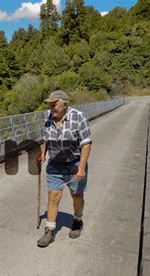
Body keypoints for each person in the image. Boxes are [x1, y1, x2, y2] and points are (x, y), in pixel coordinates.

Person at [37, 90, 92, 247]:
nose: (51, 107)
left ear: (64, 104)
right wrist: (43, 154)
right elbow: (46, 138)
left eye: (54, 105)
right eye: (50, 104)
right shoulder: (47, 116)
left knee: (76, 195)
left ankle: (77, 220)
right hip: (55, 164)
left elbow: (86, 143)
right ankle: (50, 230)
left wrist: (81, 167)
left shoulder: (78, 117)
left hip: (74, 163)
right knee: (53, 196)